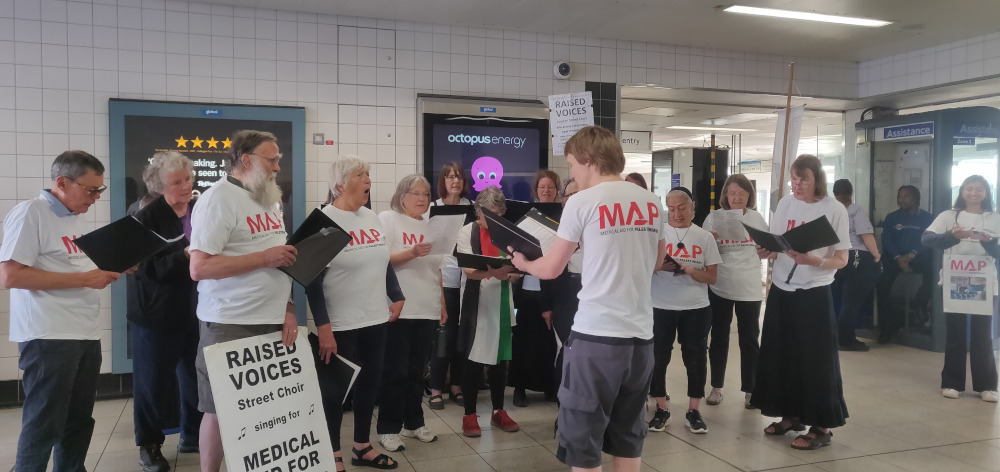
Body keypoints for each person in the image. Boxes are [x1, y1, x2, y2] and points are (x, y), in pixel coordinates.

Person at [511, 126, 667, 472]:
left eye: (571, 165)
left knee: (582, 439)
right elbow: (656, 262)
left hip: (597, 337)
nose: (571, 174)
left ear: (588, 160)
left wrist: (523, 263)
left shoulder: (582, 201)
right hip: (641, 339)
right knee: (628, 433)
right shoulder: (651, 201)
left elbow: (551, 269)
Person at [2, 150, 123, 472]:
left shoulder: (74, 217)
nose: (96, 197)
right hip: (49, 336)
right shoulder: (31, 213)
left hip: (83, 332)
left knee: (78, 422)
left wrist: (114, 266)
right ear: (62, 183)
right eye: (91, 190)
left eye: (101, 190)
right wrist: (85, 278)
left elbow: (72, 268)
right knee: (45, 423)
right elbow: (11, 276)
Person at [188, 130, 298, 472]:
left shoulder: (268, 198)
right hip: (229, 322)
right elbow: (200, 267)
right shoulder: (217, 199)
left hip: (272, 319)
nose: (279, 167)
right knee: (220, 409)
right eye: (273, 159)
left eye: (279, 159)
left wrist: (289, 308)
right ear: (246, 160)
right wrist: (264, 258)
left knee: (263, 407)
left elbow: (282, 260)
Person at [304, 155, 401, 470]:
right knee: (335, 392)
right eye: (361, 175)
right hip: (341, 324)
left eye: (368, 174)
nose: (369, 181)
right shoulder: (324, 221)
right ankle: (332, 454)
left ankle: (362, 446)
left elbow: (382, 260)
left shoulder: (370, 217)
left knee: (369, 385)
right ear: (340, 184)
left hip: (375, 318)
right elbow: (311, 281)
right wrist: (324, 327)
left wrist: (396, 295)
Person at [752, 154, 850, 451]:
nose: (797, 185)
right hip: (782, 287)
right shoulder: (785, 203)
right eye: (793, 180)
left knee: (815, 358)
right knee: (781, 353)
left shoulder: (834, 210)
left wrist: (815, 260)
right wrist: (766, 250)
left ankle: (821, 426)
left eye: (803, 180)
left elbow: (842, 259)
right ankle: (790, 415)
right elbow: (778, 242)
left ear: (816, 179)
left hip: (814, 291)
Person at [128, 152, 202, 471]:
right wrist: (185, 255)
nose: (185, 186)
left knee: (195, 377)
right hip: (156, 314)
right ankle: (150, 445)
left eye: (188, 179)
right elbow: (144, 269)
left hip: (196, 308)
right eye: (176, 182)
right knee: (152, 383)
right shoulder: (145, 217)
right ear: (158, 186)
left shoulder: (200, 209)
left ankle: (193, 435)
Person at [375, 174, 444, 452]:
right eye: (416, 193)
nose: (422, 199)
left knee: (417, 371)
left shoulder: (432, 226)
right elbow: (382, 257)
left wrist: (443, 304)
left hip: (427, 306)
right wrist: (413, 252)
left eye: (426, 195)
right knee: (396, 371)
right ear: (402, 195)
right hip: (399, 306)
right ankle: (388, 428)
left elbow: (436, 269)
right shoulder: (388, 218)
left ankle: (413, 422)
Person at [647, 187, 721, 435]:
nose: (676, 213)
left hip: (696, 308)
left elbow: (712, 277)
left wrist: (690, 271)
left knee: (696, 358)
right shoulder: (657, 234)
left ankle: (694, 411)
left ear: (692, 208)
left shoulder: (704, 237)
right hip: (661, 305)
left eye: (682, 208)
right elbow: (645, 266)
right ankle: (661, 408)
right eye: (671, 208)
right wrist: (661, 266)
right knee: (658, 358)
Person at [921, 174, 999, 402]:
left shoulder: (995, 218)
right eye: (969, 189)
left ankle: (986, 385)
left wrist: (989, 242)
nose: (974, 193)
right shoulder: (948, 215)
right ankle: (952, 383)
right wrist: (952, 236)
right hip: (956, 279)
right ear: (962, 191)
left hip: (984, 281)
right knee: (955, 332)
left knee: (982, 333)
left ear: (987, 192)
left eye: (979, 189)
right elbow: (927, 239)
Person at [455, 186, 522, 437]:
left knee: (501, 361)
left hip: (503, 304)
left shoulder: (509, 233)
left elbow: (517, 269)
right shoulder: (466, 232)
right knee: (474, 361)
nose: (489, 221)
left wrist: (512, 274)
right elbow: (470, 272)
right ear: (477, 212)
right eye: (486, 215)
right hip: (477, 304)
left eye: (496, 216)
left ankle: (498, 411)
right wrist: (495, 273)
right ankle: (469, 415)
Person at [701, 174, 767, 409]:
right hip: (720, 283)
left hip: (749, 283)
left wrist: (767, 250)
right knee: (719, 337)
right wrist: (709, 239)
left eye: (741, 193)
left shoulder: (757, 218)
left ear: (749, 196)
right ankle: (716, 387)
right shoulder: (713, 217)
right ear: (725, 196)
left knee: (749, 338)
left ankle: (751, 389)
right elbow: (701, 249)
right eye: (732, 193)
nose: (736, 197)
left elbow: (769, 248)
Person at [510, 169, 561, 407]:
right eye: (542, 187)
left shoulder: (564, 216)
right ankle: (519, 388)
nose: (546, 190)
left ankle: (548, 387)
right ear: (536, 190)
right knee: (523, 339)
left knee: (547, 341)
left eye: (550, 187)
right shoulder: (527, 216)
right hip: (525, 286)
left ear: (556, 190)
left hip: (551, 287)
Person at [428, 162, 471, 410]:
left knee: (462, 338)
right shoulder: (433, 207)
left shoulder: (472, 208)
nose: (455, 181)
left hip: (467, 280)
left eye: (459, 177)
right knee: (443, 336)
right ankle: (436, 389)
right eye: (450, 177)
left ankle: (457, 386)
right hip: (443, 280)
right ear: (443, 181)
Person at [538, 178, 583, 405]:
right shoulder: (554, 226)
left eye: (580, 194)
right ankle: (564, 405)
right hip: (565, 297)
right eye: (570, 196)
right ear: (563, 200)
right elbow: (546, 268)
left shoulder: (596, 222)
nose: (574, 199)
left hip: (593, 296)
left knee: (588, 354)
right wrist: (546, 306)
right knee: (566, 350)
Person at [877, 185, 934, 343]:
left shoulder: (928, 218)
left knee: (935, 271)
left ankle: (919, 305)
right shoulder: (892, 217)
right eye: (899, 196)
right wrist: (898, 258)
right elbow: (887, 240)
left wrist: (911, 254)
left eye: (905, 196)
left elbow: (928, 240)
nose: (901, 200)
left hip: (918, 256)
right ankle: (887, 328)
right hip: (894, 258)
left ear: (916, 199)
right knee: (881, 284)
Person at [831, 179, 882, 352]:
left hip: (837, 259)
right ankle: (845, 339)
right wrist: (876, 255)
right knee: (851, 302)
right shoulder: (855, 209)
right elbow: (866, 235)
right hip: (858, 257)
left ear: (834, 192)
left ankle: (839, 336)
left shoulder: (831, 211)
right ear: (851, 192)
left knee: (842, 301)